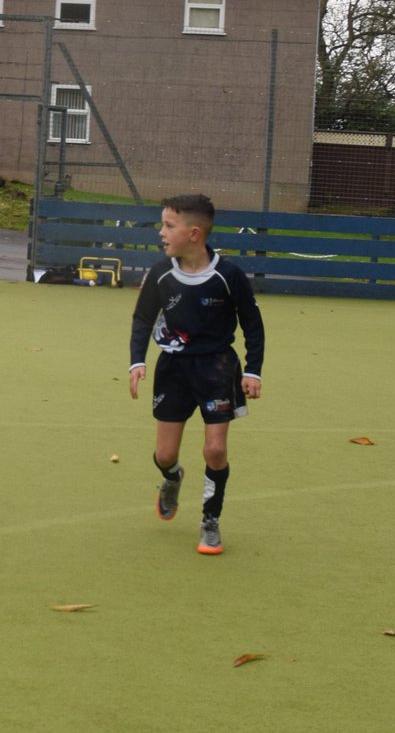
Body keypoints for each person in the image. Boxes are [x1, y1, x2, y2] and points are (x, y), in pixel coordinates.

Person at [128, 194, 264, 554]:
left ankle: (210, 520)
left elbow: (253, 323)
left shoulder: (228, 275)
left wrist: (253, 371)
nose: (161, 233)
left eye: (169, 226)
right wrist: (137, 361)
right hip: (172, 369)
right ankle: (172, 478)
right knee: (164, 455)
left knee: (215, 449)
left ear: (194, 233)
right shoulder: (160, 274)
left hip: (217, 369)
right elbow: (143, 319)